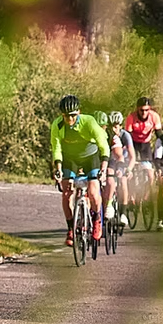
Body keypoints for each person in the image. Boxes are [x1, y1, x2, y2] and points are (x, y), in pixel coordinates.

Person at [51, 95, 110, 246]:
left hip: (91, 156)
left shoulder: (89, 121)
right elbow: (56, 149)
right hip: (70, 158)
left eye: (73, 116)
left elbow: (103, 145)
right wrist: (58, 169)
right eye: (66, 116)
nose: (70, 120)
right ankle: (71, 229)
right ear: (61, 115)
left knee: (93, 190)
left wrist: (103, 168)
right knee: (66, 193)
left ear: (79, 112)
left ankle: (97, 219)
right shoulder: (57, 125)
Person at [125, 95, 163, 192]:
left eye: (147, 110)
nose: (144, 113)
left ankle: (147, 197)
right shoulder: (131, 117)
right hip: (133, 143)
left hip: (146, 145)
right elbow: (127, 136)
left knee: (150, 174)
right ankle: (131, 194)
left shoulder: (154, 116)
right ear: (137, 109)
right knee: (131, 168)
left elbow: (159, 134)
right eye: (141, 110)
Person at [108, 111, 135, 226]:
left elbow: (132, 156)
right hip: (110, 161)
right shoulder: (107, 134)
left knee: (123, 181)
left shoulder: (125, 136)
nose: (114, 129)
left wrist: (129, 169)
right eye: (111, 126)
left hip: (123, 162)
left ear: (120, 125)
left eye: (116, 126)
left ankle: (123, 213)